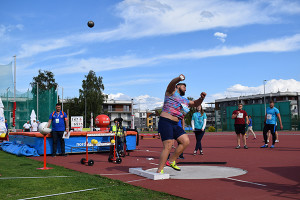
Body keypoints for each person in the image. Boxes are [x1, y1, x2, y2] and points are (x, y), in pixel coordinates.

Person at [156, 74, 206, 174]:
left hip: (175, 124)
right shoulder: (171, 92)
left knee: (185, 141)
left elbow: (195, 104)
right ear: (178, 86)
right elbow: (171, 83)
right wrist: (179, 78)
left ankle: (171, 161)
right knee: (168, 146)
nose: (185, 89)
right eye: (184, 87)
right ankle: (159, 170)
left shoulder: (185, 100)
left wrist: (201, 98)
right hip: (166, 121)